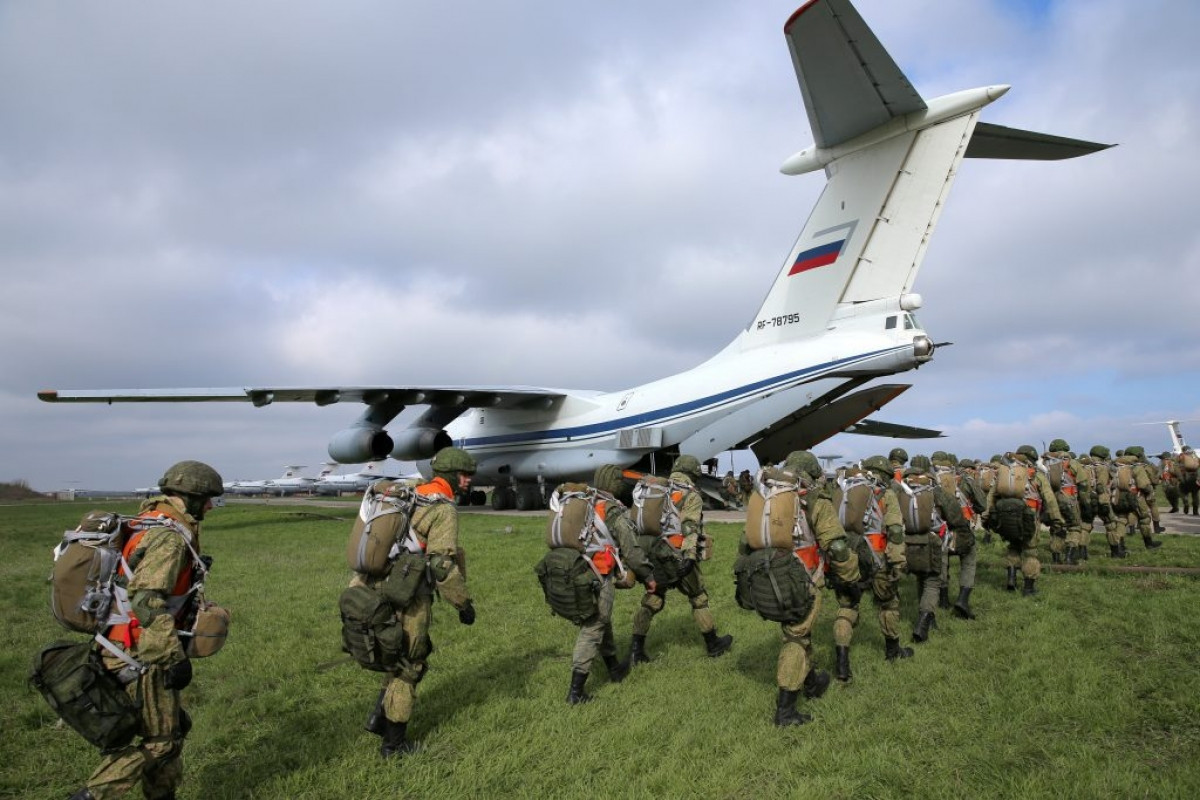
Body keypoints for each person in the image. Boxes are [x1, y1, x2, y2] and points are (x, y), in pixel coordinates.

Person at [70, 460, 225, 800]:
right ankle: (91, 796)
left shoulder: (147, 522)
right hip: (140, 655)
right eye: (207, 498)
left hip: (118, 647)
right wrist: (172, 658)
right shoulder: (168, 538)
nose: (211, 506)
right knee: (161, 742)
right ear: (188, 497)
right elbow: (145, 599)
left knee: (170, 730)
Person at [358, 446, 478, 758]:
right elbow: (441, 565)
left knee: (396, 653)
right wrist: (463, 604)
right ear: (451, 476)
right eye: (464, 475)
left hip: (373, 587)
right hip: (408, 596)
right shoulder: (443, 508)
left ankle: (378, 718)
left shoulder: (409, 492)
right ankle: (394, 745)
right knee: (410, 663)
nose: (467, 481)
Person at [738, 451, 859, 724]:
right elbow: (837, 547)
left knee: (800, 630)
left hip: (767, 577)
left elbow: (745, 541)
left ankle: (812, 681)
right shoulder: (813, 497)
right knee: (796, 636)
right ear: (813, 472)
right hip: (801, 579)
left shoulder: (766, 493)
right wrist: (850, 576)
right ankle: (785, 710)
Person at [553, 465, 656, 705]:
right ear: (616, 484)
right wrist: (648, 577)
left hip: (576, 572)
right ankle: (576, 692)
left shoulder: (582, 501)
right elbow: (631, 549)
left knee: (602, 620)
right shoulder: (611, 509)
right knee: (593, 628)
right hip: (599, 575)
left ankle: (614, 669)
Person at [630, 455, 733, 662]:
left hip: (651, 554)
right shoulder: (690, 494)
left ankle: (636, 649)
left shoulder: (656, 489)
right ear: (694, 473)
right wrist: (689, 556)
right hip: (676, 554)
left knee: (653, 598)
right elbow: (689, 527)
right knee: (698, 598)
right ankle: (713, 644)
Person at [831, 455, 912, 665]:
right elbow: (895, 530)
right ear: (885, 474)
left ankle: (841, 664)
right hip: (876, 559)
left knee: (847, 606)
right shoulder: (884, 493)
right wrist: (897, 562)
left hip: (845, 559)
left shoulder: (842, 490)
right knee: (888, 604)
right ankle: (893, 652)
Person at [982, 445, 1065, 596]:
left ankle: (1011, 579)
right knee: (1030, 552)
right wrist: (1057, 520)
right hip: (1029, 520)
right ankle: (1028, 588)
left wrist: (986, 516)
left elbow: (991, 497)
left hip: (1006, 519)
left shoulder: (1005, 475)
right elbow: (1050, 500)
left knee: (1013, 547)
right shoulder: (1036, 475)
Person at [1044, 439, 1088, 564]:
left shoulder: (1045, 463)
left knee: (1057, 527)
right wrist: (1084, 502)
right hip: (1068, 498)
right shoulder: (1072, 463)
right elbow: (1083, 484)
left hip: (1051, 499)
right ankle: (1069, 557)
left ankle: (1056, 559)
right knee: (1074, 527)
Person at [1180, 445, 1200, 516]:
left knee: (1183, 493)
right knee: (1195, 495)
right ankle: (1195, 511)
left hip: (1185, 478)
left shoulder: (1181, 456)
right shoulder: (1195, 456)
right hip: (1195, 478)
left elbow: (1176, 467)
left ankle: (1186, 504)